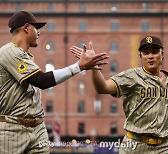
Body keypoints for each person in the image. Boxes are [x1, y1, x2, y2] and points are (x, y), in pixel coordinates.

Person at [0, 11, 109, 154]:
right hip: (12, 129)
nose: (39, 32)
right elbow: (42, 80)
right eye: (36, 28)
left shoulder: (26, 57)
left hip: (38, 128)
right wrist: (78, 66)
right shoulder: (9, 52)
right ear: (26, 28)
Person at [71, 36, 168, 154]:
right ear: (140, 57)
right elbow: (103, 87)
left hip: (163, 146)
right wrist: (93, 67)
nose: (150, 56)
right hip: (135, 145)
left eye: (154, 52)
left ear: (162, 54)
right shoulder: (132, 76)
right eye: (146, 52)